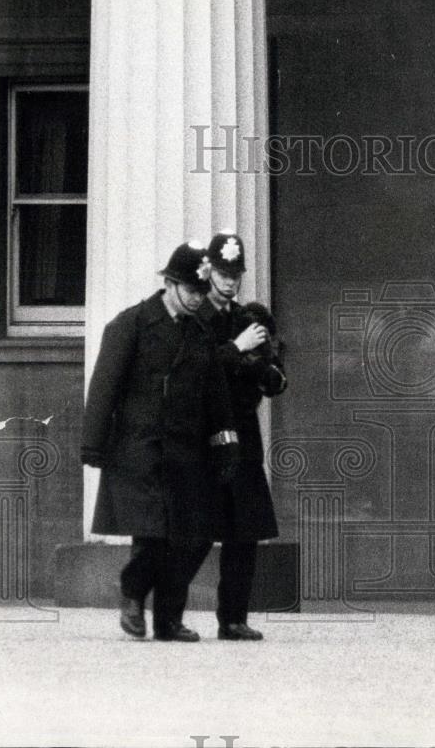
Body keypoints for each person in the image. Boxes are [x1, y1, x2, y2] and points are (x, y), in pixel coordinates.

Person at [81, 242, 239, 641]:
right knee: (153, 535)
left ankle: (168, 620)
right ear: (170, 284)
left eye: (203, 292)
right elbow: (104, 388)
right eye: (191, 290)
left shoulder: (200, 332)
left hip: (188, 452)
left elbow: (217, 398)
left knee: (193, 538)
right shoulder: (131, 325)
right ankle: (133, 595)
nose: (198, 299)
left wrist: (226, 445)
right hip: (141, 449)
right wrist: (93, 444)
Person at [196, 232, 286, 641]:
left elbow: (274, 375)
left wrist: (267, 370)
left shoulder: (247, 318)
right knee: (194, 530)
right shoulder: (195, 317)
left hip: (244, 431)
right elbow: (196, 370)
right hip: (206, 431)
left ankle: (233, 617)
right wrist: (237, 348)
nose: (230, 282)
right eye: (222, 273)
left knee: (244, 529)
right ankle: (166, 610)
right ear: (208, 271)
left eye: (236, 274)